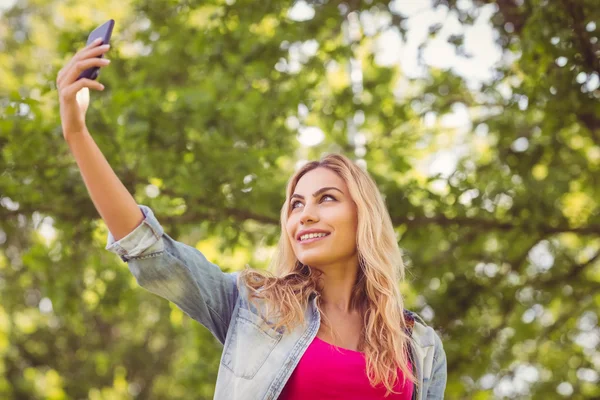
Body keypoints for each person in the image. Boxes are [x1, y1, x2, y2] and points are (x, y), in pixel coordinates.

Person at [57, 39, 447, 400]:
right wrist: (77, 133)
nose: (305, 214)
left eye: (326, 199)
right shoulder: (253, 307)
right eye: (295, 205)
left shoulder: (418, 344)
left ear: (364, 216)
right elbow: (150, 249)